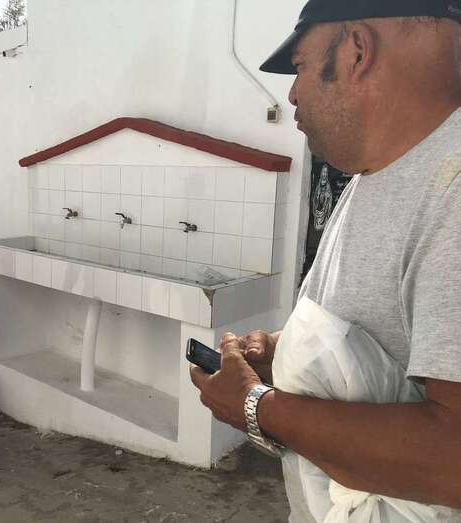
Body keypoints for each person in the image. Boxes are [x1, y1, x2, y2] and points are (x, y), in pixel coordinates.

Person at [190, 0, 461, 518]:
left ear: (357, 50)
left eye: (300, 67)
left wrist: (257, 407)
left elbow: (453, 459)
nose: (292, 93)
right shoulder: (376, 173)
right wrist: (291, 356)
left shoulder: (452, 189)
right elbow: (382, 344)